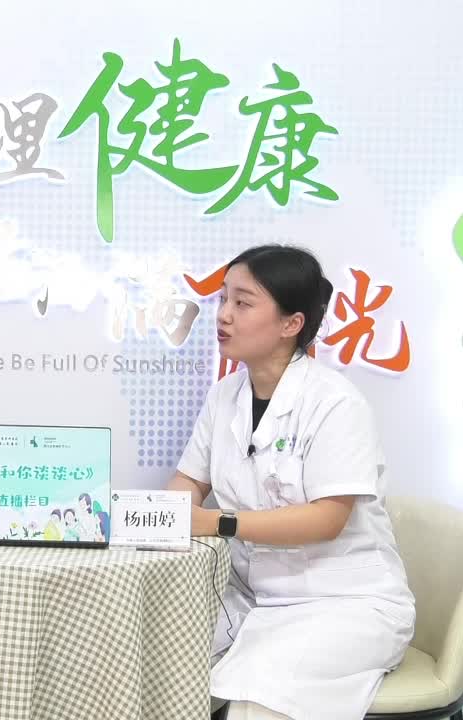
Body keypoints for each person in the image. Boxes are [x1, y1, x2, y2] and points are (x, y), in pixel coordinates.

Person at [167, 245, 414, 720]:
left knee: (259, 690)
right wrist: (165, 519)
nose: (224, 315)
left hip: (345, 602)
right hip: (253, 596)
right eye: (223, 299)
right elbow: (188, 481)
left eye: (243, 303)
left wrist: (214, 523)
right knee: (161, 656)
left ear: (291, 323)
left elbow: (326, 520)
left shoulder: (335, 403)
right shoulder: (224, 396)